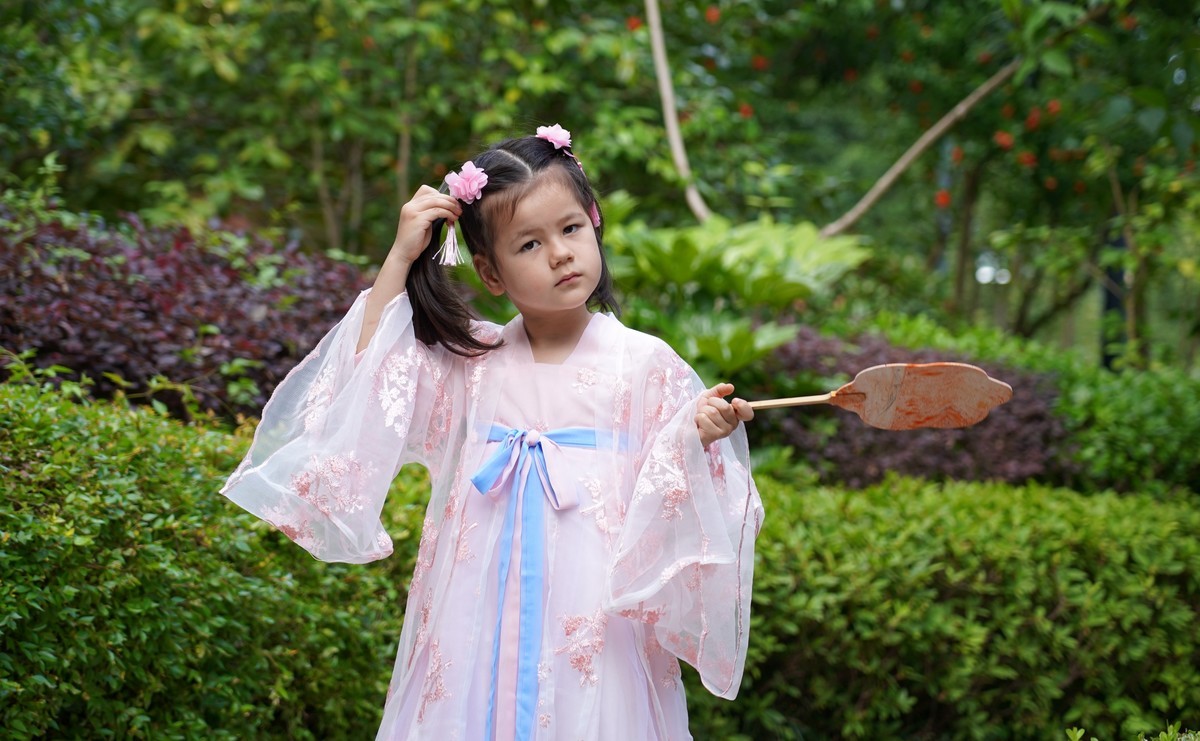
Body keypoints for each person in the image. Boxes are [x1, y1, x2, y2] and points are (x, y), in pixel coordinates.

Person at [221, 124, 763, 740]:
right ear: (490, 272)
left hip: (591, 621)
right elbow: (370, 379)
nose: (560, 253)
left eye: (571, 229)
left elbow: (671, 492)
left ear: (595, 225)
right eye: (528, 244)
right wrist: (401, 255)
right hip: (471, 614)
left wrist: (694, 436)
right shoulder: (469, 364)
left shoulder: (644, 364)